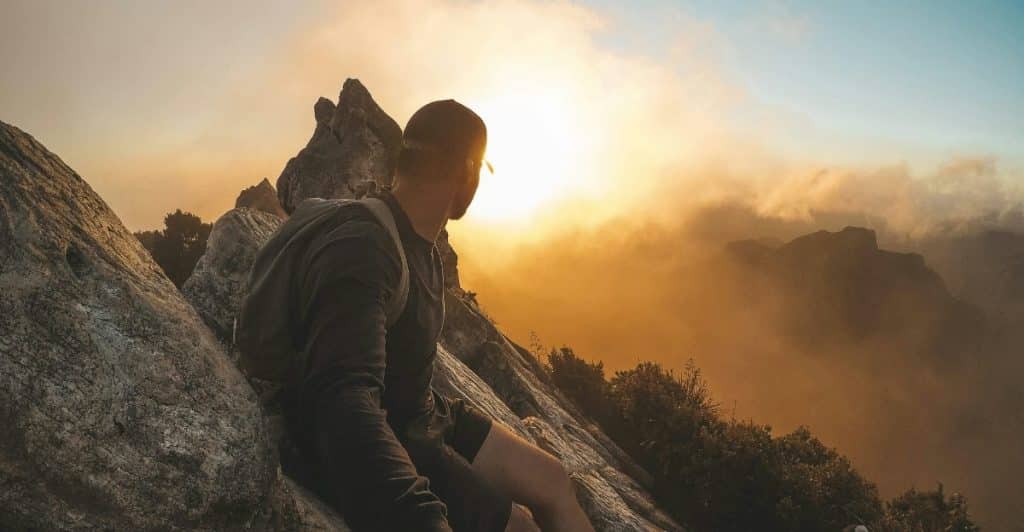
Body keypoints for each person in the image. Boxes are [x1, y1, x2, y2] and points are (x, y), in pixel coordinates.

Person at [260, 100, 595, 532]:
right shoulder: (364, 249)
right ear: (468, 172)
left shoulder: (417, 239)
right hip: (382, 431)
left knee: (551, 481)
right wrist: (420, 515)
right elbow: (342, 400)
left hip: (419, 412)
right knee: (521, 529)